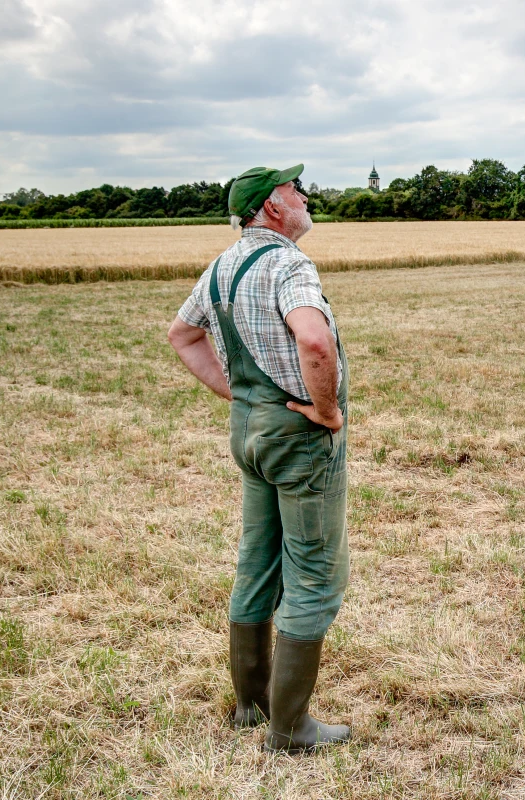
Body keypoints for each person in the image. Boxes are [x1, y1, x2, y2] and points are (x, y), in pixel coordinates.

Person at [167, 164, 351, 752]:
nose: (304, 196)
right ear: (273, 209)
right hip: (295, 435)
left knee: (257, 560)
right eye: (294, 190)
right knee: (315, 571)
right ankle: (291, 728)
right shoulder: (288, 265)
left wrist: (237, 395)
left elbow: (182, 334)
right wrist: (324, 411)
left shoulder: (222, 266)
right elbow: (314, 340)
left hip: (248, 431)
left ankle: (251, 705)